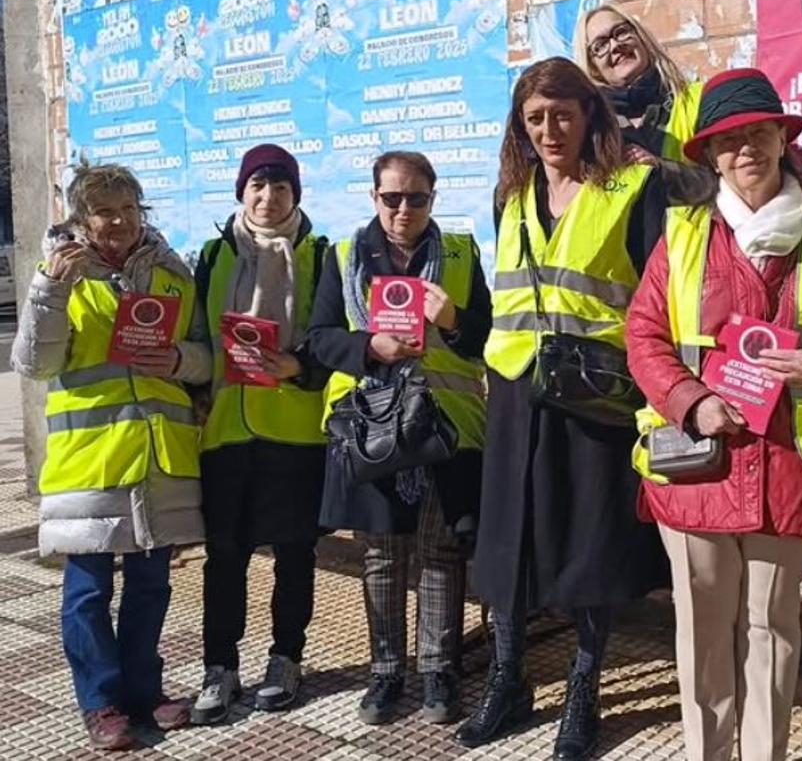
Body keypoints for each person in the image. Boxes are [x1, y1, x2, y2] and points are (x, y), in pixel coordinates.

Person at [625, 68, 802, 761]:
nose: (747, 150)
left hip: (790, 466)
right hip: (697, 467)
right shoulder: (682, 237)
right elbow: (644, 337)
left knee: (773, 631)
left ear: (782, 138)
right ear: (710, 156)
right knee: (704, 634)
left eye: (760, 133)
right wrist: (691, 402)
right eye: (729, 140)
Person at [455, 57, 670, 761]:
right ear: (521, 124)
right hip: (517, 387)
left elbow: (654, 295)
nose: (550, 130)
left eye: (563, 115)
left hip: (597, 389)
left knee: (589, 544)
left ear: (589, 116)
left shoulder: (635, 186)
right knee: (509, 541)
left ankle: (584, 689)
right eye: (535, 118)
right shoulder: (510, 194)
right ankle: (509, 679)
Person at [11, 162, 210, 750]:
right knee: (89, 591)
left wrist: (179, 362)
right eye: (103, 211)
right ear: (81, 219)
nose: (117, 221)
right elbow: (33, 364)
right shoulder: (61, 276)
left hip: (159, 460)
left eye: (127, 208)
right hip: (91, 462)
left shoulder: (174, 274)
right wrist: (50, 288)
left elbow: (207, 359)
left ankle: (146, 690)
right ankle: (100, 702)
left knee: (152, 587)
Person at [307, 151, 491, 726]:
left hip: (443, 426)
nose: (403, 209)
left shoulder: (460, 252)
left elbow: (484, 336)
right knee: (384, 557)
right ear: (374, 198)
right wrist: (368, 349)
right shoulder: (342, 256)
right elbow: (317, 339)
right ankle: (386, 672)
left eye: (416, 198)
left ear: (433, 199)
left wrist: (454, 319)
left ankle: (439, 669)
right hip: (373, 429)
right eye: (392, 198)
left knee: (440, 553)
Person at [188, 144, 330, 725]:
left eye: (281, 189)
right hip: (225, 431)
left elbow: (334, 334)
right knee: (224, 556)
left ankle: (286, 658)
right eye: (258, 187)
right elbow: (196, 330)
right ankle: (219, 666)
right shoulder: (213, 254)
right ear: (240, 193)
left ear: (296, 196)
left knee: (295, 553)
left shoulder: (322, 254)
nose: (269, 199)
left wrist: (300, 365)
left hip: (296, 430)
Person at [576, 4, 714, 200]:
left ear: (641, 37)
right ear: (593, 67)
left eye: (621, 32)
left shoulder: (699, 100)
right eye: (600, 46)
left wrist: (662, 170)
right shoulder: (590, 127)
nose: (615, 46)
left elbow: (729, 181)